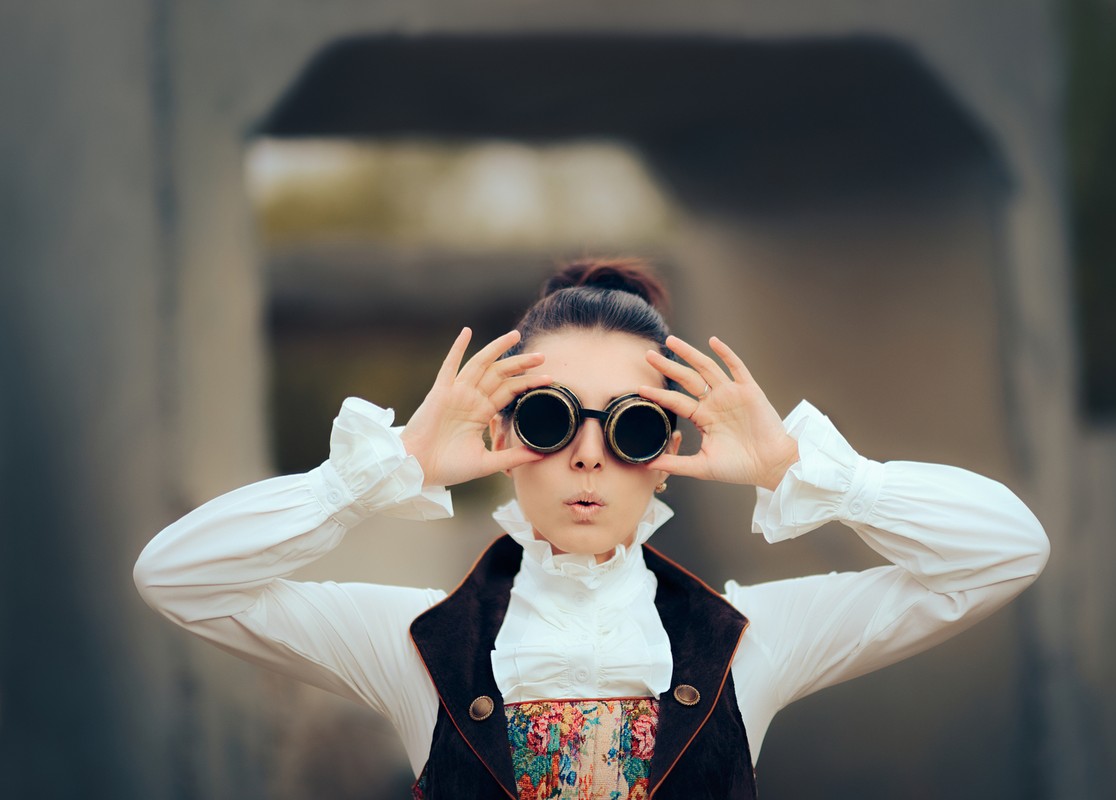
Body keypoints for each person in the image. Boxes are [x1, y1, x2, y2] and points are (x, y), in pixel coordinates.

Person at [134, 257, 1050, 799]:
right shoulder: (419, 644)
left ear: (669, 447)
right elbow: (177, 579)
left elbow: (1005, 553)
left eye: (632, 425)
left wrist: (808, 472)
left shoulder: (745, 645)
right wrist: (383, 472)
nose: (587, 454)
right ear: (500, 437)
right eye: (546, 418)